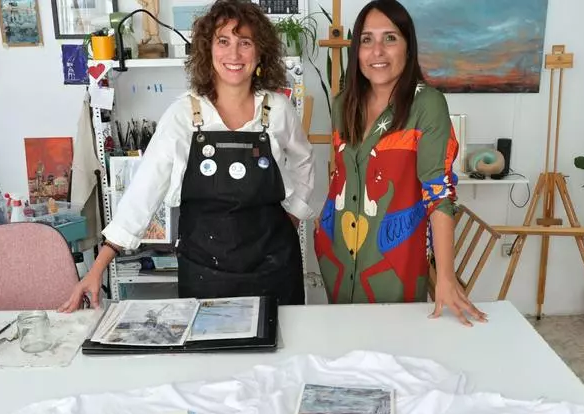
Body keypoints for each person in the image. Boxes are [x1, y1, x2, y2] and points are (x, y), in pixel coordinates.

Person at [60, 0, 315, 312]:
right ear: (208, 49)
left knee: (279, 343)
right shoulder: (183, 114)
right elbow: (145, 189)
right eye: (223, 41)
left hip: (274, 267)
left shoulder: (277, 110)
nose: (234, 54)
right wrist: (98, 267)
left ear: (260, 52)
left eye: (245, 43)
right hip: (205, 271)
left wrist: (295, 213)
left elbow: (304, 161)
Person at [314, 0, 485, 326]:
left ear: (408, 46)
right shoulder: (343, 104)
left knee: (395, 341)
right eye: (367, 40)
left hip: (394, 260)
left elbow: (438, 192)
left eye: (390, 38)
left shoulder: (427, 105)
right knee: (344, 340)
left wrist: (445, 276)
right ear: (357, 50)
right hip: (337, 253)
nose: (377, 51)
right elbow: (342, 174)